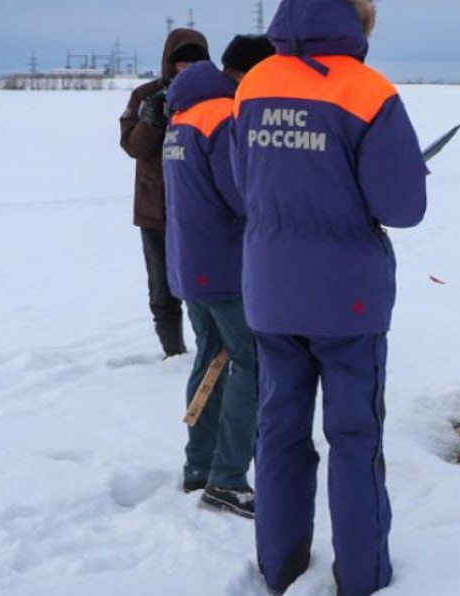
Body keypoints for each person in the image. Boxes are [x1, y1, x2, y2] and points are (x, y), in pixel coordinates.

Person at [230, 1, 427, 594]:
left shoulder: (255, 83)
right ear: (359, 22)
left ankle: (278, 566)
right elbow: (402, 207)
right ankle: (362, 576)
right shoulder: (369, 92)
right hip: (348, 301)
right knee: (354, 439)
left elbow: (246, 183)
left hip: (269, 288)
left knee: (279, 433)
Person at [162, 35, 275, 518]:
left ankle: (199, 467)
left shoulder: (182, 114)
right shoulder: (223, 116)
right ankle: (228, 478)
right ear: (249, 73)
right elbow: (239, 195)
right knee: (250, 362)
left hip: (189, 263)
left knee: (211, 356)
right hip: (225, 266)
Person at [119, 28, 209, 358]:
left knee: (205, 283)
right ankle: (174, 354)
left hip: (201, 208)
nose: (185, 68)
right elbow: (134, 148)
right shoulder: (145, 95)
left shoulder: (214, 97)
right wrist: (150, 121)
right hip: (154, 208)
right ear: (168, 63)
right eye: (179, 62)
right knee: (161, 289)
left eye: (193, 62)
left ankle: (211, 350)